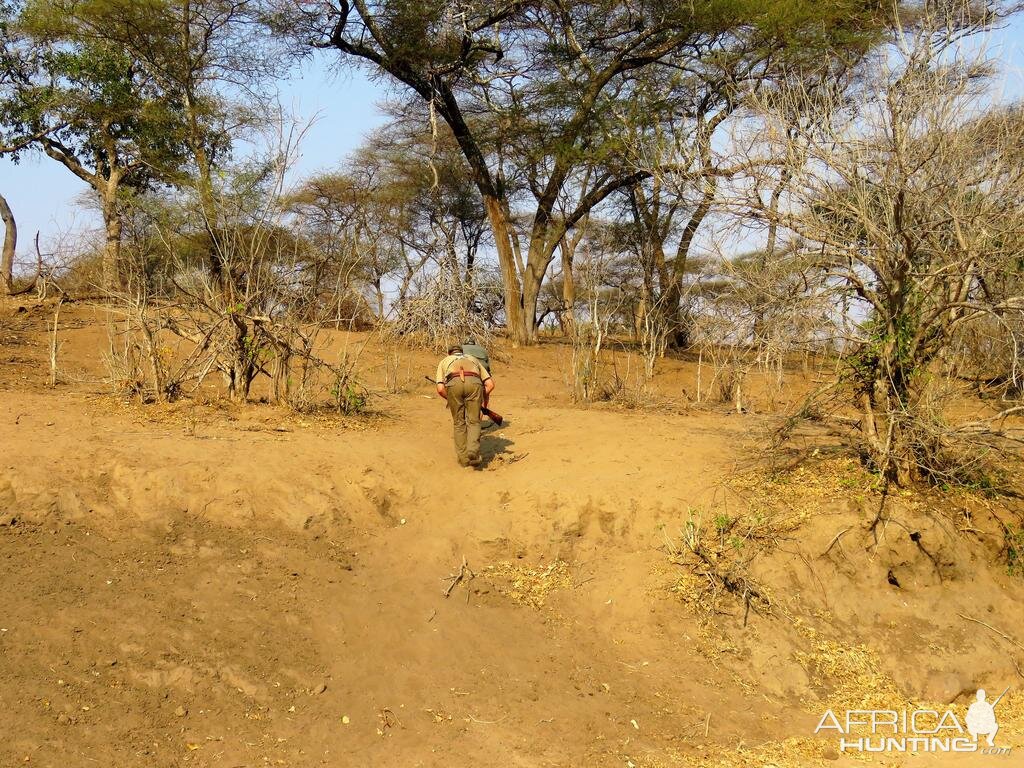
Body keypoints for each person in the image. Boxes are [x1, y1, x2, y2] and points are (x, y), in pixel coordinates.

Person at [435, 344, 495, 467]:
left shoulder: (444, 361)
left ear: (449, 353)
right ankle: (473, 450)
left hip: (453, 383)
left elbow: (440, 389)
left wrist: (451, 399)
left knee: (459, 423)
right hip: (475, 383)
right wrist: (478, 399)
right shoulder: (472, 359)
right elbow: (490, 385)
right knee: (474, 421)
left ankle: (463, 459)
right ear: (462, 352)